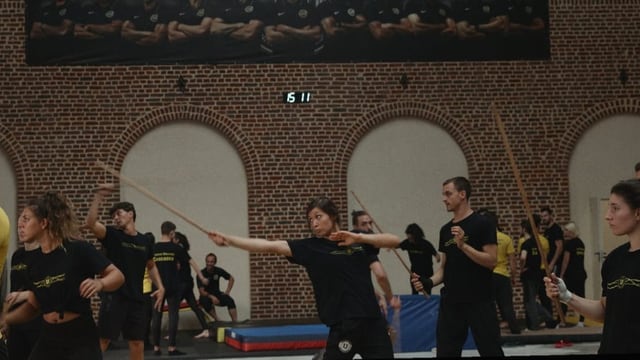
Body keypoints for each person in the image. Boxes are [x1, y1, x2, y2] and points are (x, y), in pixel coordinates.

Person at [208, 196, 400, 358]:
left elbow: (395, 241)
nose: (314, 223)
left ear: (332, 216)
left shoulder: (358, 239)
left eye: (318, 216)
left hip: (373, 322)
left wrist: (360, 237)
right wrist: (229, 240)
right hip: (344, 325)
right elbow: (269, 245)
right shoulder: (310, 247)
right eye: (310, 220)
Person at [2, 191, 125, 360]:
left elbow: (117, 276)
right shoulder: (34, 261)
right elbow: (35, 304)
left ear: (44, 223)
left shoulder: (77, 249)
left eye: (26, 219)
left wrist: (100, 284)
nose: (21, 224)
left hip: (79, 335)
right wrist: (6, 318)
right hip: (49, 336)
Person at [545, 179, 640, 354]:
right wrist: (567, 296)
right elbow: (605, 311)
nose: (607, 215)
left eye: (615, 208)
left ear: (637, 213)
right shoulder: (614, 260)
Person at [411, 176, 503, 357]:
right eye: (443, 194)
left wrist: (464, 246)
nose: (444, 198)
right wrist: (428, 282)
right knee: (446, 352)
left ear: (462, 194)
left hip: (479, 300)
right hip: (451, 301)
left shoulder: (482, 224)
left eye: (448, 193)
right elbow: (444, 268)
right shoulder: (445, 230)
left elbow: (492, 261)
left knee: (490, 350)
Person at [85, 183, 165, 360]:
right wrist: (98, 196)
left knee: (137, 343)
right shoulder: (112, 235)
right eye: (113, 216)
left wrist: (160, 286)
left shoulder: (145, 240)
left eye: (119, 214)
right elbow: (90, 224)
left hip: (137, 299)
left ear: (131, 214)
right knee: (104, 340)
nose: (115, 218)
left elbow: (151, 266)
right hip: (114, 297)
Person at [5, 210, 43, 360]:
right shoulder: (17, 256)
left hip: (37, 321)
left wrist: (24, 295)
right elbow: (13, 289)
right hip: (17, 323)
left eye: (25, 225)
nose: (21, 229)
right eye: (19, 226)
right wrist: (7, 317)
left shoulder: (45, 254)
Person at [477, 208, 520, 334]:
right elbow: (512, 262)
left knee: (489, 305)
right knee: (507, 305)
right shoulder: (506, 238)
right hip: (502, 275)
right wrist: (513, 276)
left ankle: (492, 330)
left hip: (488, 274)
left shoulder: (483, 239)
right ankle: (515, 330)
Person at [150, 221, 190, 356]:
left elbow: (149, 267)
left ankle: (156, 347)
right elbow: (187, 263)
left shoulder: (153, 248)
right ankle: (171, 348)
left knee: (156, 316)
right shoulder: (176, 248)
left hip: (156, 286)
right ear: (172, 232)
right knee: (173, 316)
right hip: (173, 285)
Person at [351, 210, 401, 314]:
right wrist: (390, 298)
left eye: (370, 223)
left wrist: (378, 295)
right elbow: (381, 275)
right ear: (355, 227)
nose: (369, 227)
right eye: (364, 224)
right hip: (360, 307)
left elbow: (357, 281)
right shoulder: (364, 245)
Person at [518, 215, 555, 331]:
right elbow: (547, 255)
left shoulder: (523, 242)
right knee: (545, 298)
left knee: (530, 300)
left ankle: (534, 323)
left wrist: (521, 267)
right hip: (541, 270)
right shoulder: (543, 241)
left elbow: (523, 257)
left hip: (529, 272)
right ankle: (549, 321)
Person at [173, 231, 211, 339]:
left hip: (183, 284)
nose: (171, 240)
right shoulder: (181, 250)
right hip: (187, 283)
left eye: (172, 238)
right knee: (194, 306)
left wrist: (202, 277)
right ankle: (206, 329)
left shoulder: (179, 249)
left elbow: (192, 263)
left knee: (173, 306)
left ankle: (172, 333)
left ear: (177, 240)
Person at [397, 223, 440, 295]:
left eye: (411, 238)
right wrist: (388, 245)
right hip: (414, 272)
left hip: (427, 272)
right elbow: (397, 245)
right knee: (414, 291)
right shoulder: (407, 243)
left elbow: (436, 255)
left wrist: (437, 258)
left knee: (426, 291)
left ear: (416, 236)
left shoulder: (426, 244)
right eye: (408, 237)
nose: (409, 239)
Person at [558, 221, 586, 328]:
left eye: (566, 230)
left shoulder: (569, 244)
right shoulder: (580, 243)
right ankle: (581, 321)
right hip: (581, 274)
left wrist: (561, 274)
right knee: (581, 298)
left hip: (571, 275)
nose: (564, 232)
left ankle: (561, 321)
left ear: (571, 231)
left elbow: (566, 260)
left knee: (564, 297)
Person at [197, 253, 238, 322]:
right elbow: (201, 291)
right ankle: (217, 320)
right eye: (208, 261)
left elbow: (231, 278)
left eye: (211, 262)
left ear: (215, 262)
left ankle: (235, 323)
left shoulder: (218, 270)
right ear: (206, 262)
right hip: (206, 295)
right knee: (204, 301)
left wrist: (227, 291)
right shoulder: (201, 274)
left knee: (230, 300)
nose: (209, 263)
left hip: (217, 293)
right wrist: (212, 297)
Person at [540, 206, 563, 321]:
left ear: (550, 215)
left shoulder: (556, 229)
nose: (544, 218)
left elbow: (559, 247)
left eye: (545, 216)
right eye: (542, 216)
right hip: (548, 262)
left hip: (554, 263)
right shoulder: (546, 230)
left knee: (555, 288)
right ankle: (551, 318)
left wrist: (552, 263)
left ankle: (560, 317)